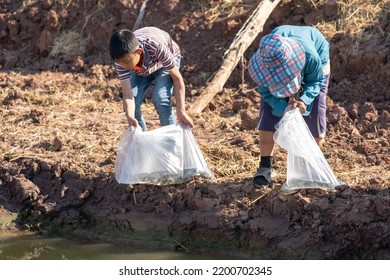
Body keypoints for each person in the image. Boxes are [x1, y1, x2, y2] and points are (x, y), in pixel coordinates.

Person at [247, 25, 330, 188]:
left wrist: (304, 101)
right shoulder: (265, 60)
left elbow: (316, 81)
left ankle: (311, 168)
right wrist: (282, 107)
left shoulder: (311, 57)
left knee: (315, 115)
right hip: (279, 61)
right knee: (268, 114)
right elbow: (266, 93)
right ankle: (265, 166)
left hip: (316, 67)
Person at [109, 27, 194, 131]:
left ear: (138, 52)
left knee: (160, 98)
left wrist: (181, 111)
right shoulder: (122, 62)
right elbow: (128, 95)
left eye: (126, 61)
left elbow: (177, 79)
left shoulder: (156, 47)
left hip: (163, 64)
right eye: (120, 62)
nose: (123, 66)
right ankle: (143, 141)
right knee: (132, 106)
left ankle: (170, 142)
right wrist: (130, 116)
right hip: (141, 68)